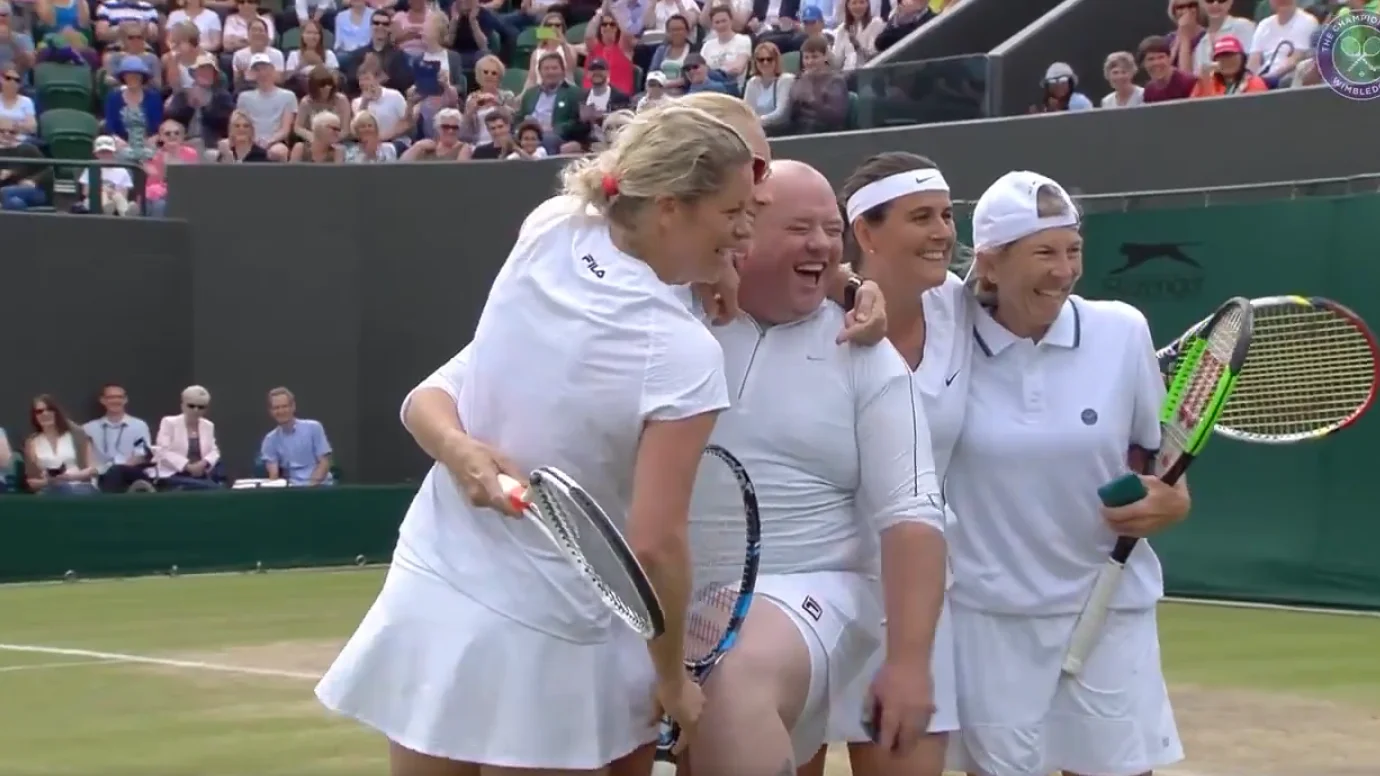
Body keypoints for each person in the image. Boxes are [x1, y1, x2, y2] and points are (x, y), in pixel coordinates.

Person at [314, 103, 762, 776]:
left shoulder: (551, 227)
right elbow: (655, 544)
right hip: (548, 634)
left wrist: (712, 264)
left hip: (436, 586)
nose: (745, 230)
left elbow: (435, 397)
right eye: (733, 212)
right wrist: (672, 680)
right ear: (671, 207)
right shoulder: (683, 354)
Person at [685, 159, 947, 776]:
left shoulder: (868, 355)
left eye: (833, 230)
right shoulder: (670, 315)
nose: (823, 245)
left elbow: (913, 515)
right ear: (739, 230)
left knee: (731, 669)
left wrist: (909, 664)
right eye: (801, 227)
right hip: (660, 592)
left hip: (814, 588)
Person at [943, 170, 1191, 776]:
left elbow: (1163, 467)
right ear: (991, 265)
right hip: (989, 621)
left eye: (1073, 249)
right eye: (1044, 252)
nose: (1064, 270)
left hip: (1109, 614)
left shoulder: (1122, 330)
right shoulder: (942, 333)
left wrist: (1171, 503)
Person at [801, 151, 971, 776]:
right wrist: (844, 285)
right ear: (866, 233)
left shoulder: (963, 304)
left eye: (948, 215)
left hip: (918, 605)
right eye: (921, 216)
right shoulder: (806, 312)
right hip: (808, 594)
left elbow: (1039, 276)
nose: (943, 232)